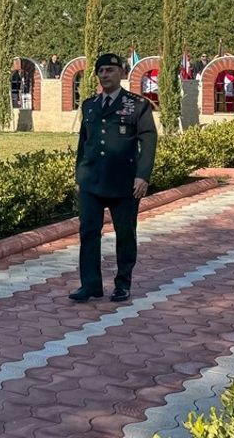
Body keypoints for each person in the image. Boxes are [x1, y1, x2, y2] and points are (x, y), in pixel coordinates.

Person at [70, 53, 157, 304]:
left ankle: (123, 283)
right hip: (91, 181)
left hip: (124, 182)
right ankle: (90, 284)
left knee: (125, 233)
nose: (105, 75)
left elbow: (149, 140)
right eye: (101, 71)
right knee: (88, 232)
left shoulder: (136, 105)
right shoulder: (89, 105)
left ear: (121, 73)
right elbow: (83, 142)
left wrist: (143, 175)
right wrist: (79, 174)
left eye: (110, 70)